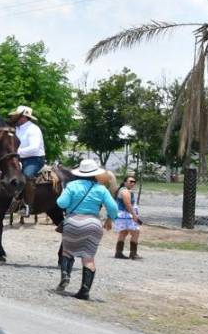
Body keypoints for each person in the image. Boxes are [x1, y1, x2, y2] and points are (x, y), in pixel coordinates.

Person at [54, 159, 120, 300]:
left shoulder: (72, 185)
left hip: (73, 222)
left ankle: (65, 275)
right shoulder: (101, 189)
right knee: (88, 257)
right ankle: (84, 291)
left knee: (67, 251)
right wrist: (110, 219)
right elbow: (114, 208)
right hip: (93, 224)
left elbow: (61, 203)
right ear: (95, 174)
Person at [10, 105, 45, 216]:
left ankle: (28, 206)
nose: (14, 118)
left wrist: (16, 152)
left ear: (23, 117)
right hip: (18, 158)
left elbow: (34, 148)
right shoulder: (16, 129)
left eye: (17, 116)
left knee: (26, 176)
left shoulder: (33, 129)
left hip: (34, 159)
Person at [112, 175, 143, 260]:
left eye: (134, 182)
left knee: (123, 232)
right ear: (125, 182)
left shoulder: (124, 190)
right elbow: (128, 204)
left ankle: (119, 252)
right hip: (126, 215)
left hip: (122, 215)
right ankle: (133, 254)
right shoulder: (125, 191)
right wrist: (134, 215)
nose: (133, 183)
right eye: (131, 181)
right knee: (136, 232)